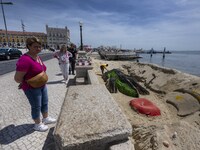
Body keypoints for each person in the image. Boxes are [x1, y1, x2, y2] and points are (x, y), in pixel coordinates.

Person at [14, 37, 56, 132]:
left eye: (39, 46)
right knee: (36, 105)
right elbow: (17, 78)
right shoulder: (25, 60)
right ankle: (37, 124)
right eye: (35, 47)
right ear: (28, 46)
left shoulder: (37, 56)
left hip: (42, 85)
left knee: (44, 102)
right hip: (31, 87)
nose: (38, 49)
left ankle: (45, 118)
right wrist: (24, 82)